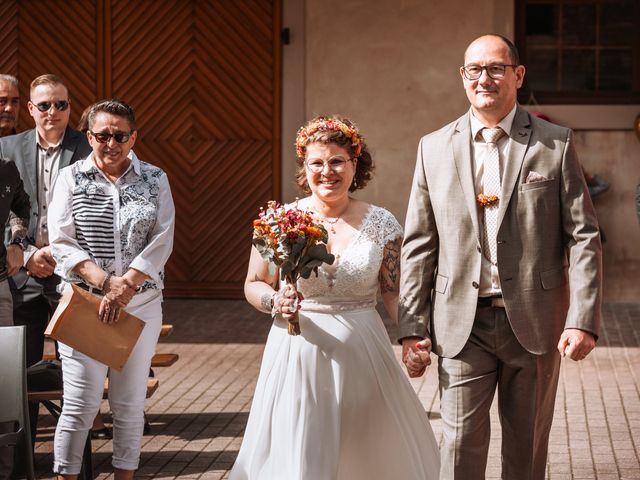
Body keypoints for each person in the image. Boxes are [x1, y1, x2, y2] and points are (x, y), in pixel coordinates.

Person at [399, 34, 602, 480]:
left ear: (517, 74)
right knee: (457, 451)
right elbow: (419, 243)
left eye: (495, 68)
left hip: (533, 321)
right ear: (463, 77)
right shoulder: (432, 148)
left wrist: (582, 318)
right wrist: (412, 327)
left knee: (527, 452)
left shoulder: (554, 143)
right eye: (475, 69)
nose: (484, 78)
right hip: (460, 327)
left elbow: (584, 236)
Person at [230, 116, 440, 480]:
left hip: (363, 352)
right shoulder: (281, 220)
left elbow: (392, 289)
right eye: (317, 162)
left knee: (365, 447)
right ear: (305, 167)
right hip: (296, 351)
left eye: (337, 161)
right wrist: (274, 302)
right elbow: (253, 282)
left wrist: (410, 337)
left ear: (354, 164)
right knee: (301, 444)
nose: (327, 171)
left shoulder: (382, 224)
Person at [48, 99, 175, 479]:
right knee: (80, 405)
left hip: (142, 304)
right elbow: (61, 241)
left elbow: (163, 237)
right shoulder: (71, 177)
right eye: (102, 135)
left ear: (133, 136)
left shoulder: (155, 178)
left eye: (120, 135)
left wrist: (127, 286)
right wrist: (105, 283)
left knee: (129, 404)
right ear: (89, 136)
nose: (111, 143)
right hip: (86, 303)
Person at [0, 73, 92, 470]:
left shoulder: (86, 147)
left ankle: (77, 464)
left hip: (74, 276)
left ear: (70, 108)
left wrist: (57, 252)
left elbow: (94, 211)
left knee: (79, 378)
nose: (53, 112)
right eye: (44, 105)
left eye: (61, 105)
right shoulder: (7, 147)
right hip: (23, 276)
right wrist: (26, 249)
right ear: (31, 109)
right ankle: (21, 466)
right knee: (19, 377)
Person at [0, 158, 30, 480]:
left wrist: (17, 242)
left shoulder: (5, 169)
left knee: (3, 388)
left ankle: (4, 473)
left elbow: (22, 205)